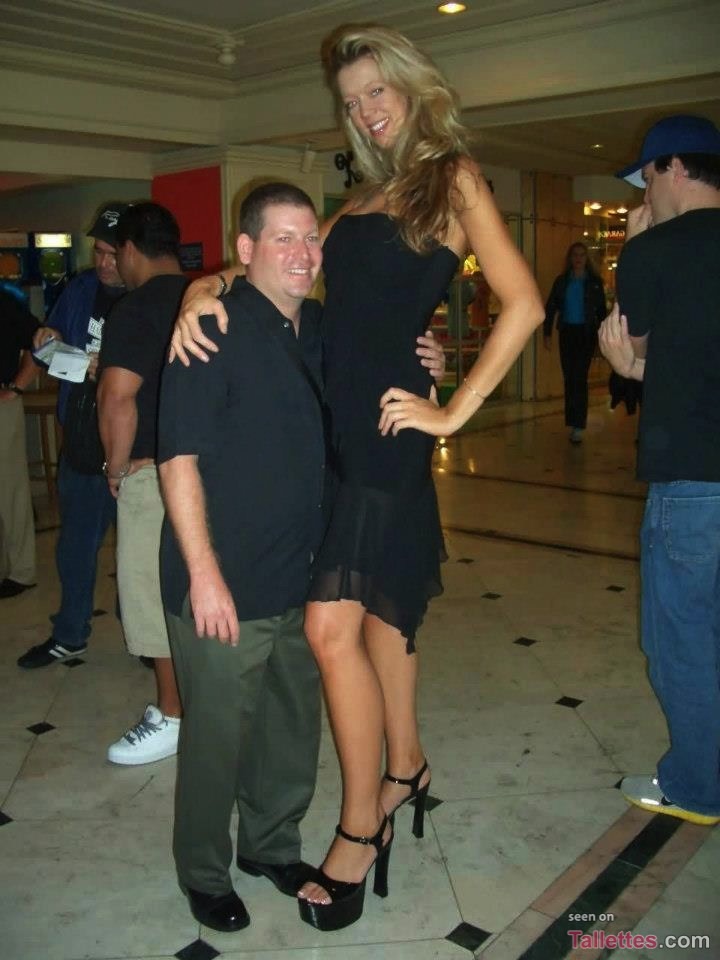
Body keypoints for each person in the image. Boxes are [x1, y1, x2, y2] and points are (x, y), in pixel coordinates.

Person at [173, 24, 543, 932]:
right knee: (380, 618)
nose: (367, 109)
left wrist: (452, 410)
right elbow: (284, 269)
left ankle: (361, 820)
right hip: (338, 431)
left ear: (414, 87)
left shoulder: (452, 176)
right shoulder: (368, 196)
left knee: (327, 627)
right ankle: (406, 767)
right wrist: (198, 289)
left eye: (378, 90)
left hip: (385, 433)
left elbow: (525, 302)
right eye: (352, 100)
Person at [157, 182, 326, 932]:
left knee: (290, 727)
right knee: (217, 741)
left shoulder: (318, 328)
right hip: (223, 581)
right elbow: (177, 458)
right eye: (282, 237)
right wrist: (204, 576)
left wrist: (425, 353)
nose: (302, 252)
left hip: (303, 575)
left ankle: (271, 845)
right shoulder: (211, 329)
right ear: (246, 249)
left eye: (310, 237)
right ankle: (203, 871)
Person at [598, 114, 720, 827]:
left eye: (647, 178)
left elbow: (632, 346)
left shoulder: (654, 250)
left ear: (675, 167)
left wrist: (634, 247)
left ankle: (699, 787)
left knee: (681, 638)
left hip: (695, 479)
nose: (645, 195)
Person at [17, 203, 127, 669]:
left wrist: (114, 368)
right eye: (98, 251)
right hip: (82, 435)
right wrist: (46, 337)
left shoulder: (151, 296)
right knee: (75, 547)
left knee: (138, 552)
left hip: (132, 445)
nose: (103, 262)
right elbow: (52, 339)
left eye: (112, 254)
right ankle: (69, 634)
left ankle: (146, 637)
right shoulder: (81, 288)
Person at [97, 202, 186, 765]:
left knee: (152, 596)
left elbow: (117, 398)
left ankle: (173, 714)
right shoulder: (214, 296)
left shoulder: (136, 308)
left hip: (153, 474)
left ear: (130, 250)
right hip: (213, 473)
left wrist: (115, 467)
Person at [542, 242, 606, 444]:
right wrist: (547, 333)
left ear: (587, 259)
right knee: (569, 378)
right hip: (567, 333)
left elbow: (601, 312)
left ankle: (579, 425)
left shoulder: (594, 282)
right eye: (575, 255)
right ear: (570, 258)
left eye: (582, 255)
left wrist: (603, 338)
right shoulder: (562, 281)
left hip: (586, 334)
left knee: (580, 377)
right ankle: (573, 421)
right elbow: (550, 307)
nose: (578, 258)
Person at [0, 287, 39, 598]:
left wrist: (17, 387)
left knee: (9, 489)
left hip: (2, 401)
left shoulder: (4, 302)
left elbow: (42, 342)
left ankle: (21, 571)